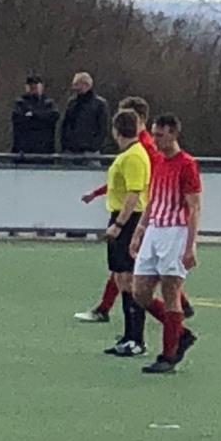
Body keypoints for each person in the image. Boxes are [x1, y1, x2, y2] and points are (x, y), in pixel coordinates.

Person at [76, 97, 195, 323]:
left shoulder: (147, 148)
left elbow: (139, 184)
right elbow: (124, 180)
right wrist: (97, 193)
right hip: (145, 212)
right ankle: (110, 309)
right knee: (129, 269)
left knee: (132, 270)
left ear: (139, 119)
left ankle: (160, 320)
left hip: (147, 214)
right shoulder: (136, 147)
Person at [131, 114, 202, 374]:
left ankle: (168, 355)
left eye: (160, 135)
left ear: (172, 134)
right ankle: (180, 333)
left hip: (175, 231)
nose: (155, 140)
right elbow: (153, 199)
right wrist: (140, 230)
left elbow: (194, 207)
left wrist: (189, 245)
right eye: (154, 134)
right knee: (140, 291)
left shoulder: (187, 164)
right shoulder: (157, 161)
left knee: (171, 292)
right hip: (154, 229)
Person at [101, 110, 152, 357]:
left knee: (131, 280)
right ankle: (129, 334)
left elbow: (134, 193)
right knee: (121, 278)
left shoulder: (134, 156)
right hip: (120, 216)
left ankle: (137, 338)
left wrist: (119, 224)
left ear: (116, 130)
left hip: (129, 219)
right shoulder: (128, 154)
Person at [60, 72, 109, 160]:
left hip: (90, 152)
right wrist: (65, 143)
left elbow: (103, 128)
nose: (74, 87)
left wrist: (94, 146)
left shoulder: (99, 104)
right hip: (71, 150)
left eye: (77, 84)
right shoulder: (72, 103)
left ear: (86, 84)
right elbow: (65, 124)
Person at [11, 75, 59, 156]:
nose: (33, 87)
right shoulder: (20, 103)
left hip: (45, 150)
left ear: (41, 86)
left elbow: (53, 117)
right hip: (23, 150)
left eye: (36, 84)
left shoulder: (49, 104)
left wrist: (33, 115)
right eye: (31, 85)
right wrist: (40, 118)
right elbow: (19, 120)